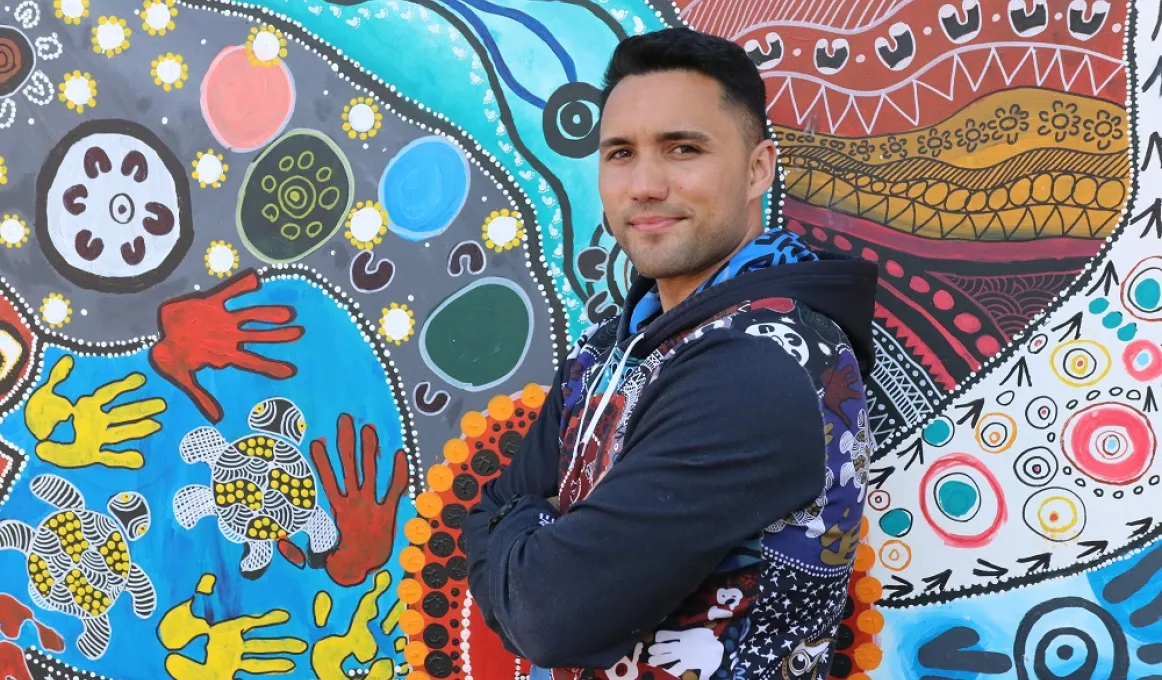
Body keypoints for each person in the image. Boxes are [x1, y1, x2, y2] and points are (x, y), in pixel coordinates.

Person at [462, 26, 878, 680]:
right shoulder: (611, 347)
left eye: (682, 149)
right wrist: (527, 537)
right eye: (620, 153)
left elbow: (548, 613)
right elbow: (486, 510)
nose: (646, 184)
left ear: (757, 169)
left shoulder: (765, 365)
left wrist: (531, 533)